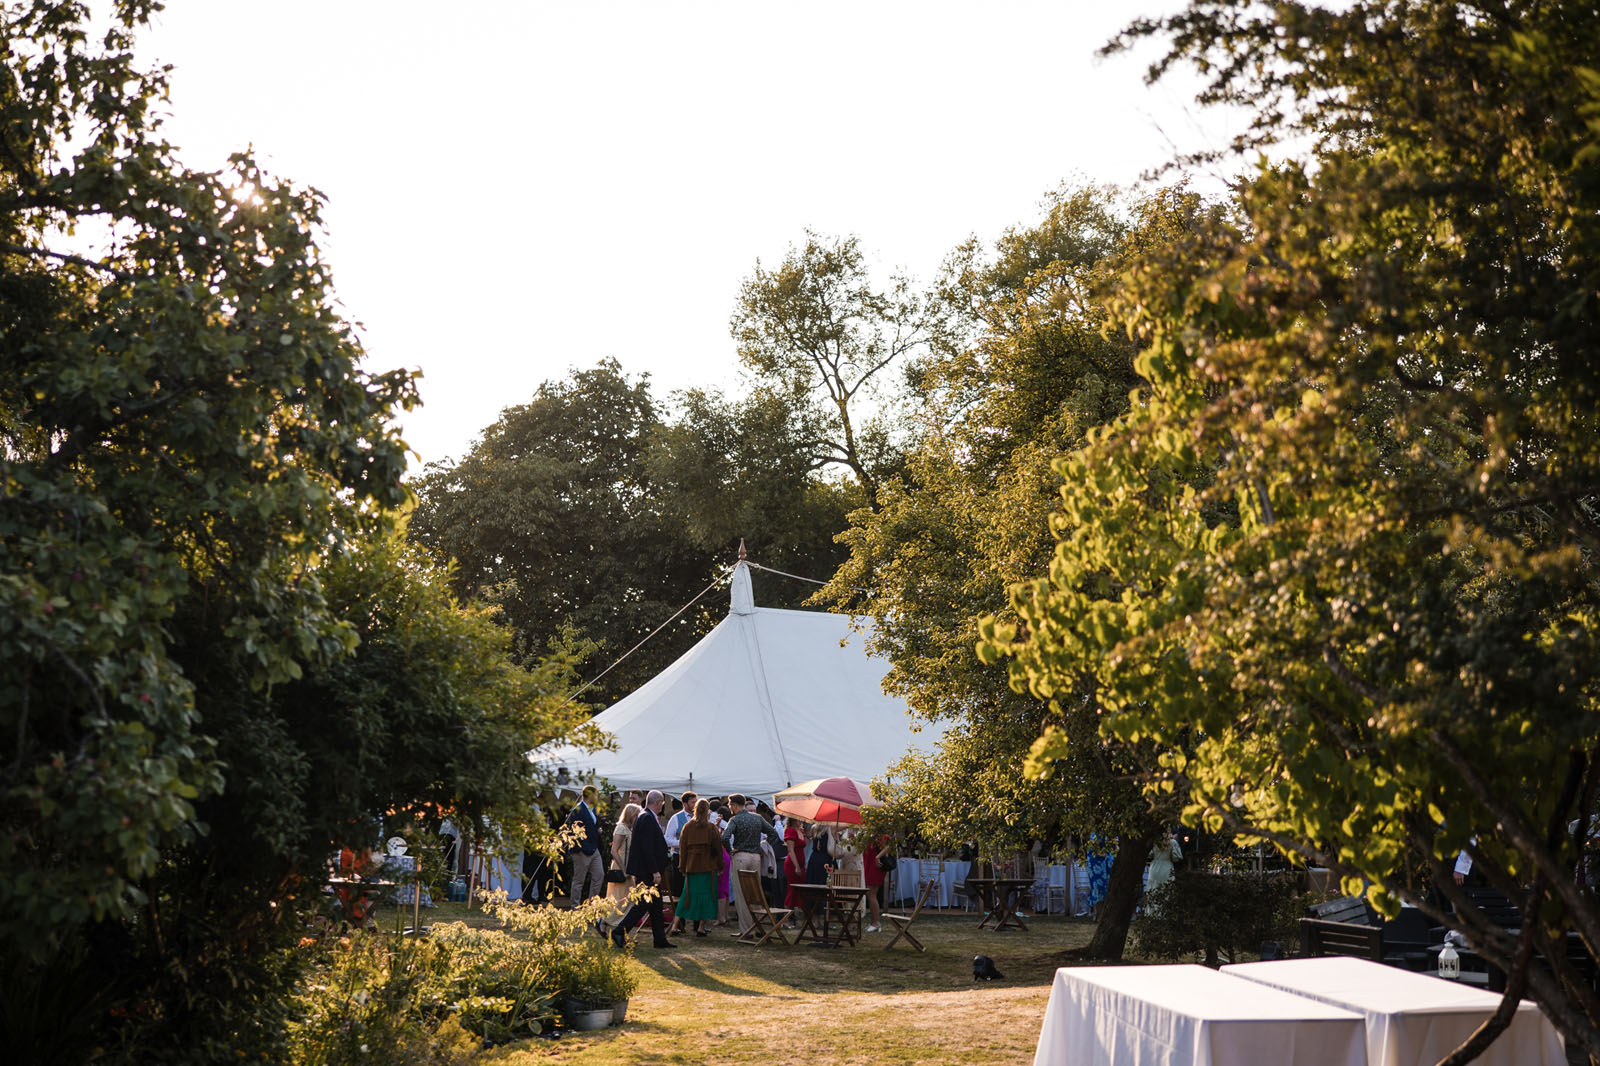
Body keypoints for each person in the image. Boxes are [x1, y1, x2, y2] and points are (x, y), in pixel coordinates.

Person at [613, 790, 676, 950]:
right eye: (662, 804)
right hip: (647, 870)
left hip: (645, 869)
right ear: (658, 802)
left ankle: (660, 939)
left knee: (655, 905)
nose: (662, 806)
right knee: (643, 904)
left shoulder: (644, 816)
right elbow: (647, 848)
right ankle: (619, 930)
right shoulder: (647, 818)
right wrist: (655, 871)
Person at [721, 793, 782, 937]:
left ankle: (746, 930)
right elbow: (773, 834)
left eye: (730, 805)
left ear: (735, 805)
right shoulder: (757, 817)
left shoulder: (735, 819)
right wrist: (763, 846)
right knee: (755, 893)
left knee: (741, 894)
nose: (729, 808)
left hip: (740, 856)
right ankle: (757, 926)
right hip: (756, 857)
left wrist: (730, 851)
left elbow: (725, 837)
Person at [675, 799, 723, 936]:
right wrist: (720, 866)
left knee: (686, 896)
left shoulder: (687, 827)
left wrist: (682, 867)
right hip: (707, 867)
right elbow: (718, 849)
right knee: (706, 896)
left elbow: (682, 850)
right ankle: (701, 927)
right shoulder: (711, 828)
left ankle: (674, 926)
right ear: (707, 811)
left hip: (691, 867)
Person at [601, 802, 641, 933]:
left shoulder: (631, 829)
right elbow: (614, 851)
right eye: (636, 815)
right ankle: (604, 921)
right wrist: (624, 869)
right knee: (620, 900)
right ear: (630, 815)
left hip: (628, 869)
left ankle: (618, 929)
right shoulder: (621, 828)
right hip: (620, 868)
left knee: (628, 901)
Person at [565, 785, 604, 907]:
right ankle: (575, 907)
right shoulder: (577, 810)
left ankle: (591, 905)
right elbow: (575, 831)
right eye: (596, 795)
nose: (598, 797)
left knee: (599, 875)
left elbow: (593, 824)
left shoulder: (592, 809)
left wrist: (598, 829)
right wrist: (583, 848)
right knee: (579, 880)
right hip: (582, 850)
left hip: (594, 849)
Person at [663, 790, 697, 934]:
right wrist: (683, 843)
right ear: (684, 803)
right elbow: (668, 839)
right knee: (679, 890)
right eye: (692, 802)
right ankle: (680, 923)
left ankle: (697, 924)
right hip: (680, 858)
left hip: (696, 860)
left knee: (696, 890)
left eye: (696, 802)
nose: (695, 805)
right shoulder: (676, 818)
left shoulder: (700, 818)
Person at [1144, 830, 1183, 913]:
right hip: (1167, 867)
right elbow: (1176, 858)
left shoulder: (1154, 842)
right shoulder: (1173, 842)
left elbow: (1149, 855)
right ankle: (1164, 914)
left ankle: (1151, 913)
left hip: (1154, 867)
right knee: (1166, 891)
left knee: (1153, 889)